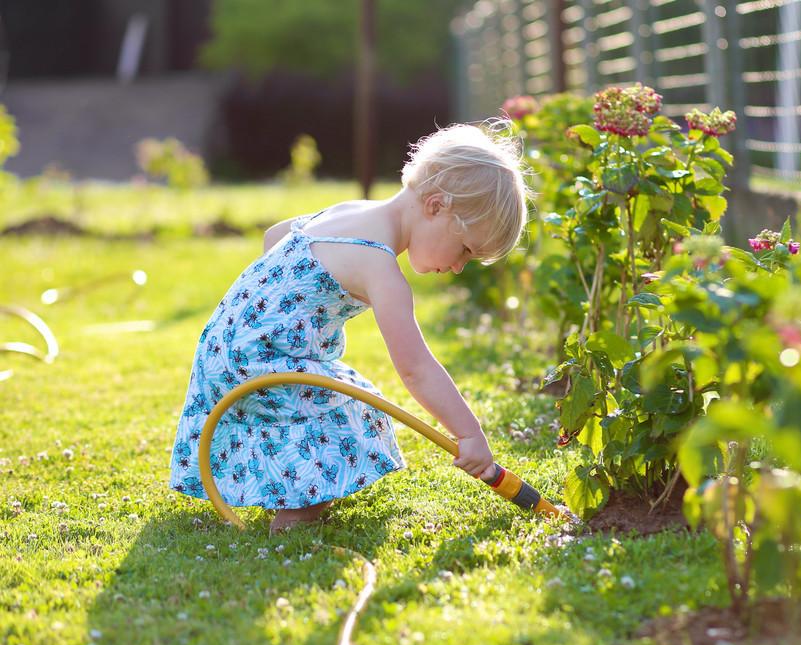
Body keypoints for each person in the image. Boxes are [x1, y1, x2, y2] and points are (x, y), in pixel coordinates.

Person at [169, 119, 532, 532]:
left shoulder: (347, 212)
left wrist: (285, 311)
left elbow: (275, 237)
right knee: (352, 404)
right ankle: (295, 516)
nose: (457, 267)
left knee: (330, 391)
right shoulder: (381, 270)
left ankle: (280, 487)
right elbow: (417, 369)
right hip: (259, 363)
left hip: (221, 348)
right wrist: (468, 434)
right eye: (465, 250)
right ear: (435, 206)